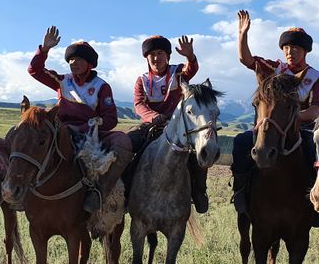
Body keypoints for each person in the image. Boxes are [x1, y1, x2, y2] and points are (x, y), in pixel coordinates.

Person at [231, 9, 319, 225]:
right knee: (241, 143)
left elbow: (315, 110)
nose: (290, 51)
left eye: (295, 47)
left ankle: (317, 201)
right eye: (286, 47)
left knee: (317, 154)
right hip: (270, 127)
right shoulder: (275, 69)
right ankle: (241, 191)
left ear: (304, 50)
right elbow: (245, 59)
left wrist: (292, 120)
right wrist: (242, 34)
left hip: (301, 129)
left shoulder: (316, 78)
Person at [28, 26, 133, 213]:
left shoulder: (101, 87)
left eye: (78, 59)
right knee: (26, 139)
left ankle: (99, 192)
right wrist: (44, 50)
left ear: (90, 63)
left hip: (90, 134)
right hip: (62, 130)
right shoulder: (62, 80)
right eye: (71, 59)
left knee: (123, 141)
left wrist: (87, 127)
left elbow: (111, 119)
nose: (73, 63)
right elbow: (34, 70)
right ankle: (23, 190)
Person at [127, 35, 209, 212]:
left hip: (178, 125)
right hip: (151, 125)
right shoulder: (142, 80)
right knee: (127, 144)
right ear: (146, 58)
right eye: (151, 55)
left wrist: (190, 56)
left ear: (168, 56)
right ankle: (125, 189)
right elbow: (138, 104)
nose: (156, 58)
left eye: (160, 53)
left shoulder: (178, 73)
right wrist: (153, 116)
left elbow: (191, 69)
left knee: (198, 151)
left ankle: (199, 191)